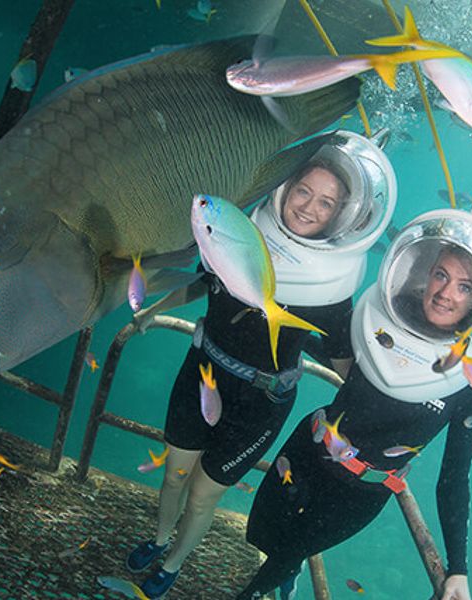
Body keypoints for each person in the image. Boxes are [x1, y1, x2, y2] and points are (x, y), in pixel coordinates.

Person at [125, 130, 397, 599]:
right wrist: (150, 311)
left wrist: (381, 420)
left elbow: (342, 358)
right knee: (174, 473)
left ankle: (172, 563)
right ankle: (159, 537)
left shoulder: (332, 289)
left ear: (342, 216)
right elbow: (205, 280)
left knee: (205, 494)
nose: (310, 207)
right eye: (303, 191)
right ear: (285, 189)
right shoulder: (239, 232)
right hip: (203, 369)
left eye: (327, 203)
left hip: (262, 402)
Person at [235, 202, 472, 600]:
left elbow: (454, 477)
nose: (447, 293)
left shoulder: (470, 382)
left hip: (359, 494)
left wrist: (458, 569)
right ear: (424, 273)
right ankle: (287, 568)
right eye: (440, 275)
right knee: (260, 532)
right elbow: (318, 332)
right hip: (307, 450)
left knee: (282, 555)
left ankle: (270, 579)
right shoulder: (380, 318)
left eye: (464, 287)